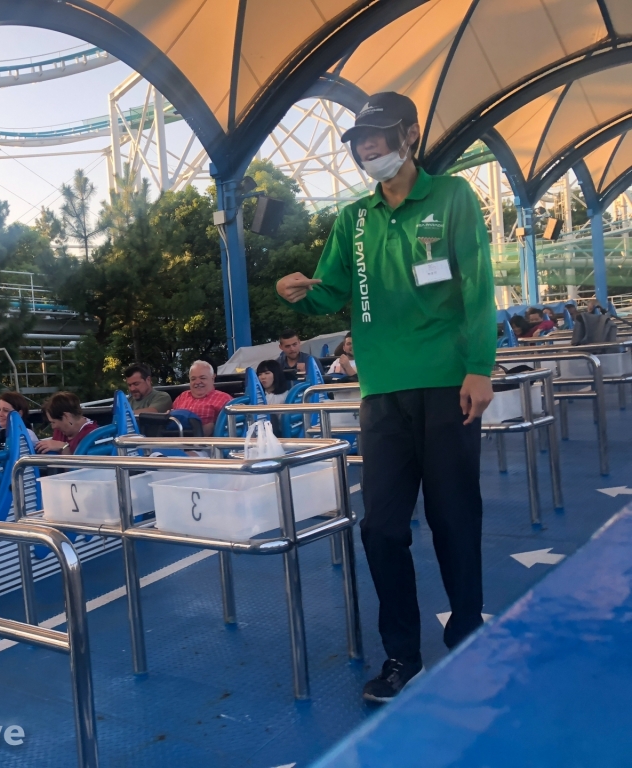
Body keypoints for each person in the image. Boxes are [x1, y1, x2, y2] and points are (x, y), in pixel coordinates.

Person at [275, 91, 496, 703]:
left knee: (455, 517)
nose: (367, 148)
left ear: (411, 134)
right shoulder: (355, 218)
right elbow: (332, 292)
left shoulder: (451, 197)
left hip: (448, 384)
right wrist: (300, 291)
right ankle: (402, 653)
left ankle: (468, 633)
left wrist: (480, 367)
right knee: (381, 528)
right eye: (359, 141)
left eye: (378, 136)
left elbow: (477, 285)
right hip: (381, 392)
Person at [171, 360, 233, 436]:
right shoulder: (182, 397)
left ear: (213, 378)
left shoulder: (225, 399)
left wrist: (214, 426)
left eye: (202, 378)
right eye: (193, 379)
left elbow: (234, 427)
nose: (197, 382)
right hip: (176, 442)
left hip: (208, 445)